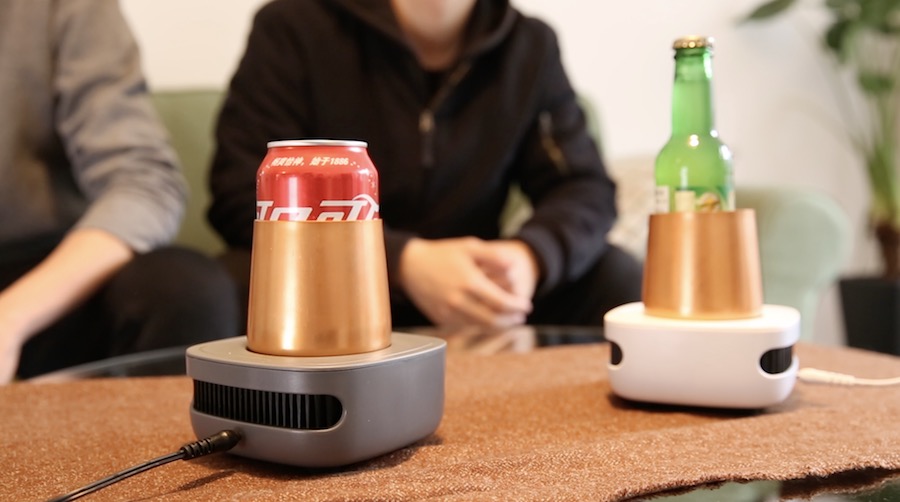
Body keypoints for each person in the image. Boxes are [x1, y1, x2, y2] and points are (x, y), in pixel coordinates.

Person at [209, 0, 642, 329]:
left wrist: (529, 257)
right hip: (329, 279)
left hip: (478, 285)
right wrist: (402, 262)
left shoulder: (530, 46)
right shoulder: (292, 27)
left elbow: (582, 187)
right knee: (215, 290)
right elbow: (241, 190)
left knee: (617, 278)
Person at [0, 0, 240, 384]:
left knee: (182, 289)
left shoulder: (62, 8)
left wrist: (11, 317)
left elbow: (144, 181)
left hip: (42, 272)